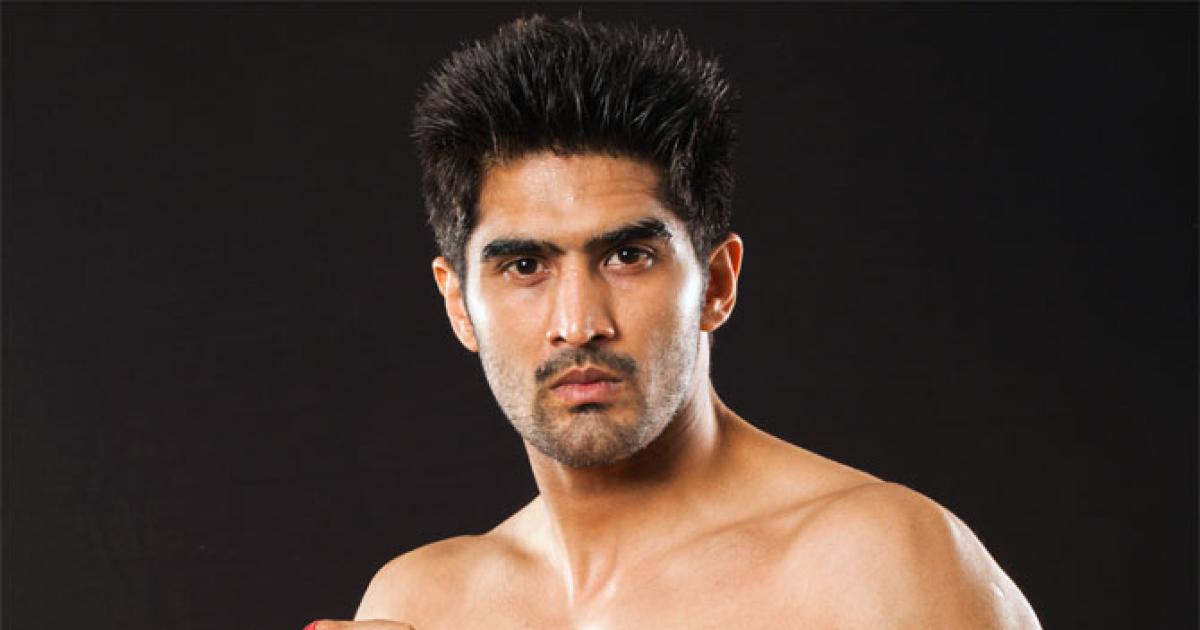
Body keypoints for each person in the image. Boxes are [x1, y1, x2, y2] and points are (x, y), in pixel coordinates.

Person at [309, 15, 1041, 630]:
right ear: (459, 304)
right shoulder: (423, 603)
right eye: (525, 265)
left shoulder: (875, 564)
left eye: (627, 256)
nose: (579, 323)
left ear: (716, 283)